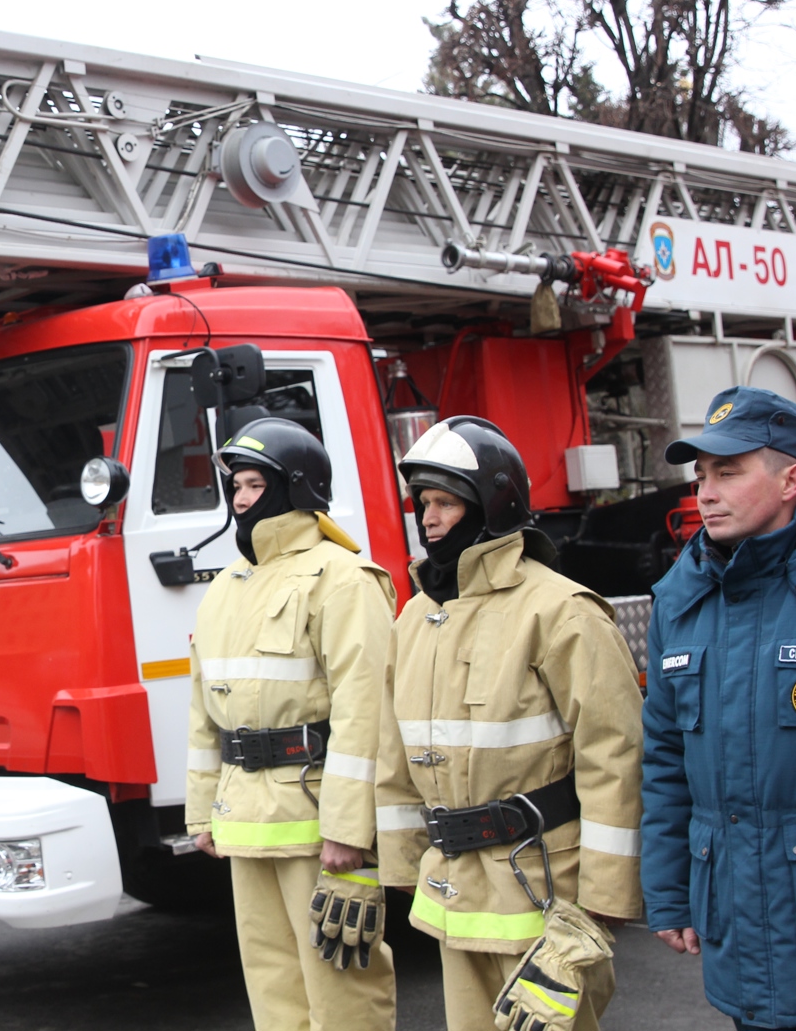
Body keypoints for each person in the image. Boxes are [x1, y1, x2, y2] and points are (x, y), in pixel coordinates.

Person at [375, 416, 644, 1031]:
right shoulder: (415, 618)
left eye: (446, 501)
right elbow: (395, 752)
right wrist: (400, 867)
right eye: (423, 502)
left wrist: (599, 907)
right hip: (452, 892)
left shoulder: (560, 611)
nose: (430, 517)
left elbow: (616, 758)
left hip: (544, 895)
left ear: (492, 506)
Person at [642, 386, 796, 1031]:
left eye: (728, 472)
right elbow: (664, 759)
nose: (705, 491)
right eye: (701, 474)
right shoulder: (680, 600)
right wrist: (669, 892)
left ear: (793, 478)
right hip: (736, 923)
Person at [186, 416, 398, 1031]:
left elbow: (367, 714)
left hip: (316, 824)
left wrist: (351, 831)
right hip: (245, 821)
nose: (241, 499)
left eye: (254, 484)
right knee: (273, 989)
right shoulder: (226, 585)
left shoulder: (344, 578)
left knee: (342, 990)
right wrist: (204, 813)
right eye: (236, 487)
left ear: (296, 488)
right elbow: (205, 711)